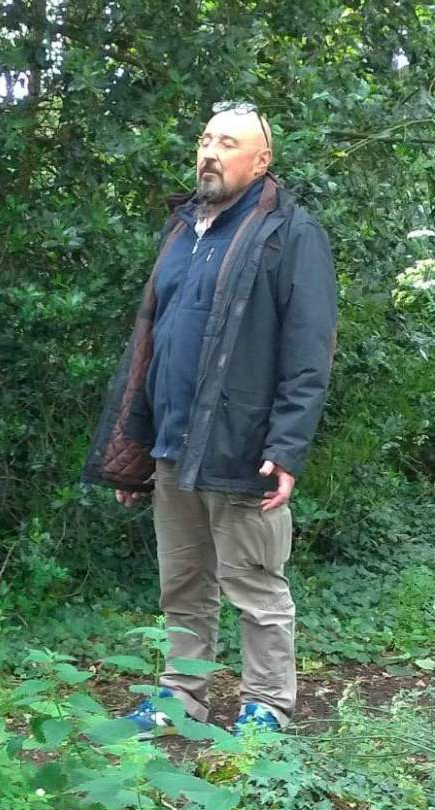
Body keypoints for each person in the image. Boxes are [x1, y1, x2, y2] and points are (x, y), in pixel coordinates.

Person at [83, 102, 337, 733]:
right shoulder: (181, 231)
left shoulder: (290, 234)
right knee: (183, 582)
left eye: (228, 142)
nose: (210, 152)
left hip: (243, 445)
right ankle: (179, 696)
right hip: (171, 445)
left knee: (254, 584)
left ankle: (267, 706)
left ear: (261, 159)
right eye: (205, 140)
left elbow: (309, 351)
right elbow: (151, 343)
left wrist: (288, 446)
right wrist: (133, 443)